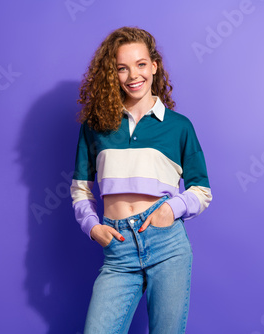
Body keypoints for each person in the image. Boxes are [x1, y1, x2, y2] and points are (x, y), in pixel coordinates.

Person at [70, 26, 212, 333]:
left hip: (167, 245)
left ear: (154, 66)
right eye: (122, 68)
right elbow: (80, 189)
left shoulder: (178, 127)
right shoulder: (96, 126)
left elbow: (202, 191)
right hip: (118, 249)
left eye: (141, 64)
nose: (133, 75)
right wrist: (92, 227)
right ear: (112, 73)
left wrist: (169, 210)